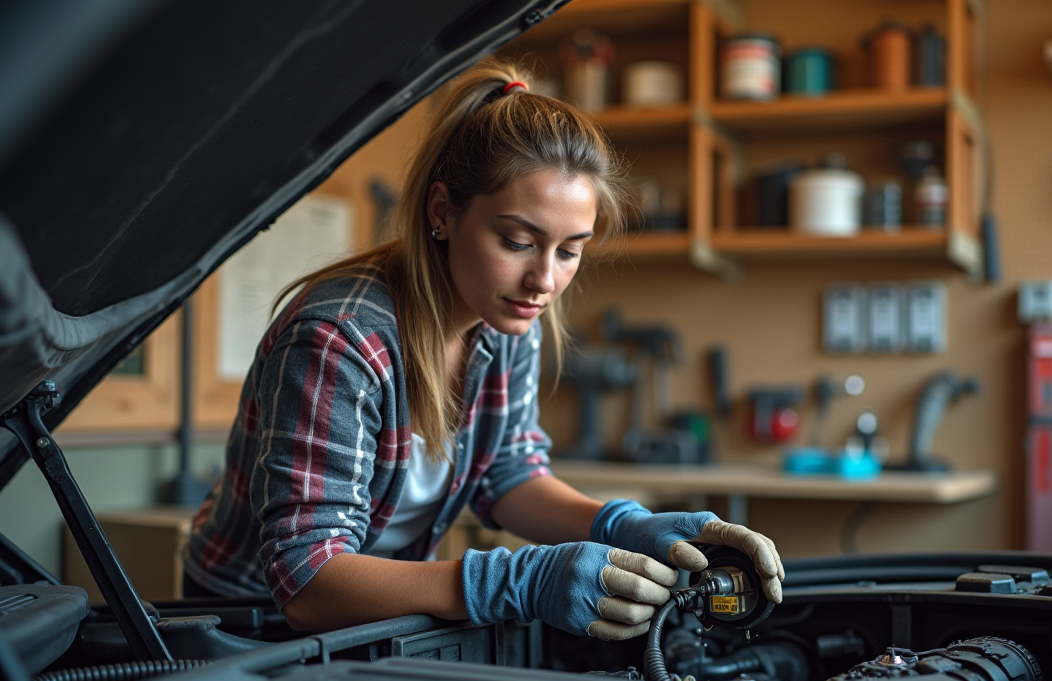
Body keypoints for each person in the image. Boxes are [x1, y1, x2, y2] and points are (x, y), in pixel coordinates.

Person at [182, 61, 784, 640]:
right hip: (248, 627)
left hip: (376, 616)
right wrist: (511, 580)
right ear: (443, 211)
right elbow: (308, 581)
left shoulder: (505, 321)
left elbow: (508, 475)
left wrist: (621, 524)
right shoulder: (341, 339)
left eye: (570, 250)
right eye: (518, 241)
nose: (544, 280)